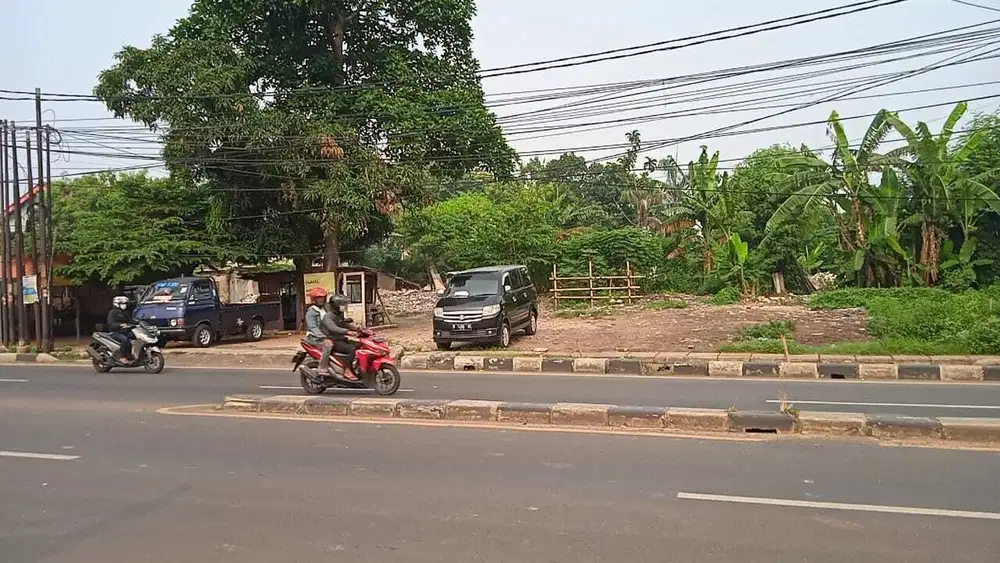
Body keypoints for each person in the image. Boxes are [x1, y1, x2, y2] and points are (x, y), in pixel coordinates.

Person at [322, 293, 362, 381]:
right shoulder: (328, 317)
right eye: (342, 305)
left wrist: (357, 329)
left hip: (341, 339)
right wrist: (348, 332)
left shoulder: (339, 315)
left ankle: (357, 367)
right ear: (336, 306)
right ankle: (347, 370)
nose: (344, 307)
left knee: (361, 345)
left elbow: (343, 324)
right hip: (334, 341)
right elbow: (333, 328)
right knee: (351, 349)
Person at [304, 286, 336, 377]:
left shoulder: (325, 309)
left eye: (322, 297)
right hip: (314, 338)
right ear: (314, 299)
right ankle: (322, 367)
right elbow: (313, 327)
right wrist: (324, 337)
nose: (321, 300)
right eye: (318, 298)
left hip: (326, 335)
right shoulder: (311, 312)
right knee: (328, 345)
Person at [106, 296, 134, 362]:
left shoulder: (126, 312)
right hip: (115, 332)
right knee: (125, 340)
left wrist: (138, 323)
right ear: (117, 304)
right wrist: (120, 325)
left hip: (125, 331)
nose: (124, 305)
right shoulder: (112, 313)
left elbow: (131, 321)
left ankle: (130, 355)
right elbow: (111, 324)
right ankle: (122, 356)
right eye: (122, 304)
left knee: (135, 338)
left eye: (125, 304)